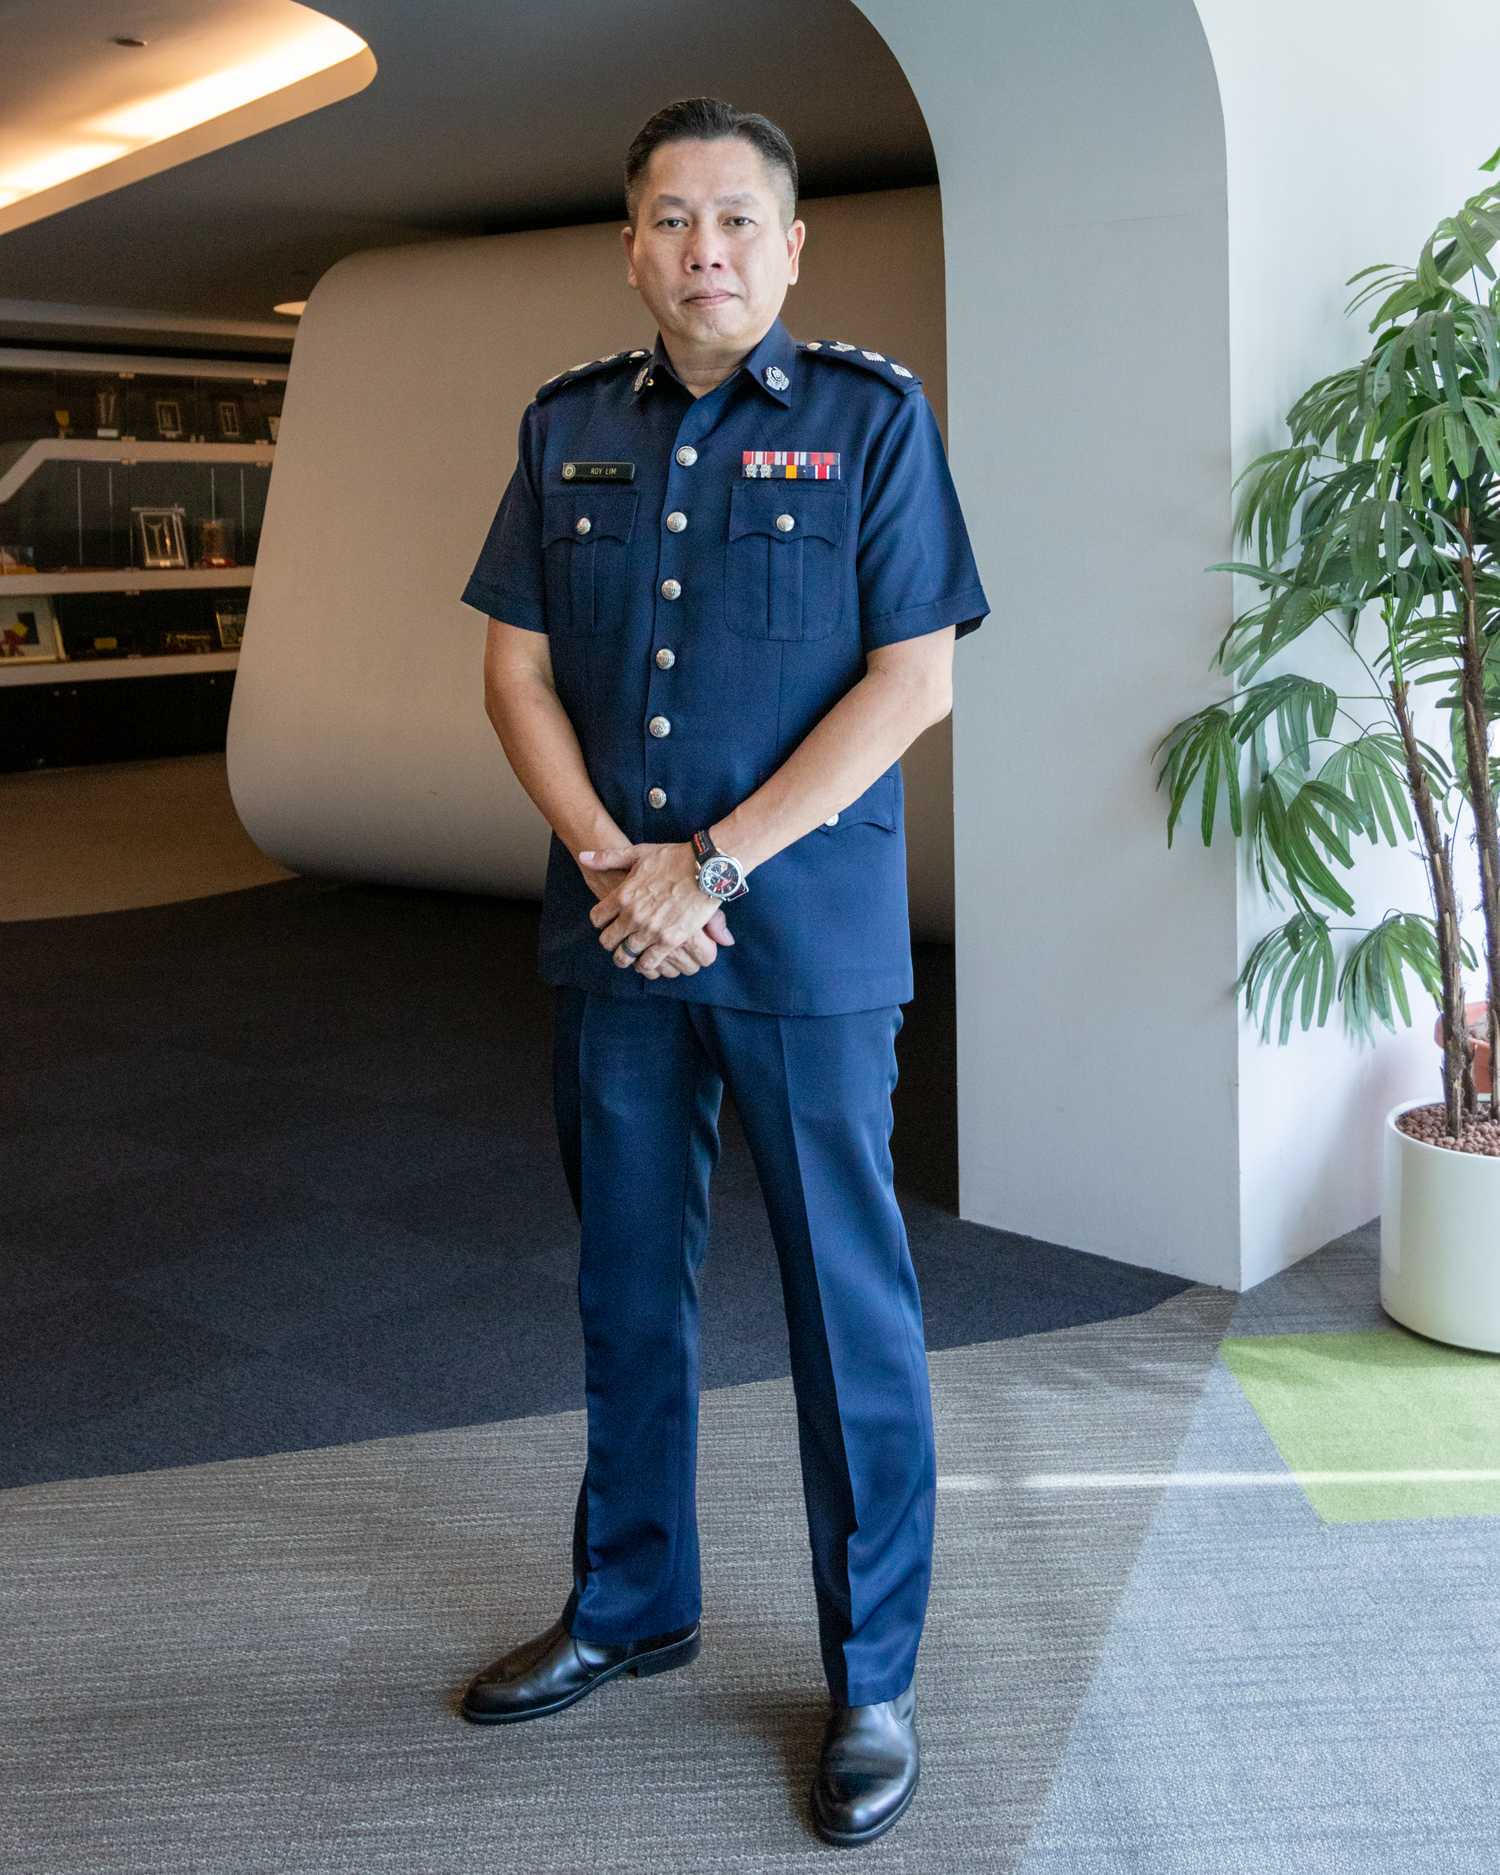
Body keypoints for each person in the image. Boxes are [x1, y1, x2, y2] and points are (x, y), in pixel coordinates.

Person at [454, 95, 989, 1849]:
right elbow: (516, 675)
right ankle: (632, 1603)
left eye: (739, 219)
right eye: (673, 221)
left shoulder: (870, 421)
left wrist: (715, 864)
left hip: (805, 944)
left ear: (791, 245)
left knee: (848, 1311)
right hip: (618, 936)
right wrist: (621, 865)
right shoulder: (565, 428)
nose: (707, 250)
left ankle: (874, 1676)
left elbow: (914, 681)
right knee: (625, 1288)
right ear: (632, 249)